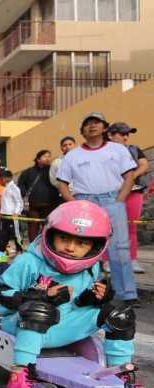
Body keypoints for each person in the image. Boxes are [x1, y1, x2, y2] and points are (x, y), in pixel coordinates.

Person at [0, 201, 137, 388]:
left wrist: (95, 297)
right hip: (22, 325)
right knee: (40, 309)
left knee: (119, 312)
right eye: (64, 238)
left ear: (96, 245)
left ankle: (120, 373)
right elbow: (4, 296)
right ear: (50, 234)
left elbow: (79, 304)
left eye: (81, 243)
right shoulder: (28, 262)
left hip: (63, 324)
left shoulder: (92, 268)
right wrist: (40, 296)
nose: (71, 248)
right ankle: (19, 375)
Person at [56, 112, 139, 305]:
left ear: (104, 128)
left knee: (120, 248)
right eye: (87, 124)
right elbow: (62, 184)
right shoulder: (73, 155)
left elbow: (130, 176)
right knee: (85, 248)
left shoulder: (118, 150)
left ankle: (126, 294)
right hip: (85, 203)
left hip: (113, 200)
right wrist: (75, 204)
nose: (92, 126)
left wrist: (119, 200)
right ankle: (87, 291)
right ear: (82, 131)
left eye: (96, 122)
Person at [108, 122, 150, 274]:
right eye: (122, 133)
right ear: (110, 135)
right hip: (111, 193)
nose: (126, 137)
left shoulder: (134, 149)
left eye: (127, 134)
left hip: (134, 191)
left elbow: (144, 165)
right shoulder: (101, 152)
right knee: (109, 227)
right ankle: (107, 261)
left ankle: (131, 261)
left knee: (131, 226)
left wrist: (131, 177)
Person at [19, 149, 59, 242]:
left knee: (48, 227)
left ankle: (47, 245)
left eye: (49, 156)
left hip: (50, 205)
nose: (48, 158)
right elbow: (21, 185)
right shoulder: (27, 172)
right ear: (38, 159)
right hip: (33, 206)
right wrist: (25, 195)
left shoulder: (53, 170)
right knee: (33, 227)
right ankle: (33, 246)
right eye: (45, 156)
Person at [0, 170, 23, 255]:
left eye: (0, 179)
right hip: (5, 216)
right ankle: (1, 251)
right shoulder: (6, 188)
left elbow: (19, 202)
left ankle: (20, 250)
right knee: (4, 235)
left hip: (12, 216)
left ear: (5, 178)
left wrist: (16, 212)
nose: (0, 181)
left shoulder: (14, 188)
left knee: (16, 234)